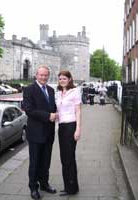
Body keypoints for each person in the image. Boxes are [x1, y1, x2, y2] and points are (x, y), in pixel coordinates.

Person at [23, 65, 57, 200]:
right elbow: (29, 110)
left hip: (49, 133)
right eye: (41, 75)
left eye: (45, 75)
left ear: (48, 76)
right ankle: (33, 187)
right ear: (36, 75)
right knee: (35, 162)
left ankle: (44, 184)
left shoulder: (51, 90)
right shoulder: (29, 90)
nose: (43, 77)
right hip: (36, 133)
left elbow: (54, 107)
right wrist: (48, 116)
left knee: (46, 161)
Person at [55, 70, 81, 196]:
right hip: (61, 127)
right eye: (60, 79)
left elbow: (78, 111)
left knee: (69, 158)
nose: (62, 80)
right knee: (64, 158)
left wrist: (78, 129)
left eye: (64, 78)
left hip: (71, 126)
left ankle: (72, 188)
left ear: (70, 79)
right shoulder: (59, 93)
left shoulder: (74, 91)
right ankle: (69, 186)